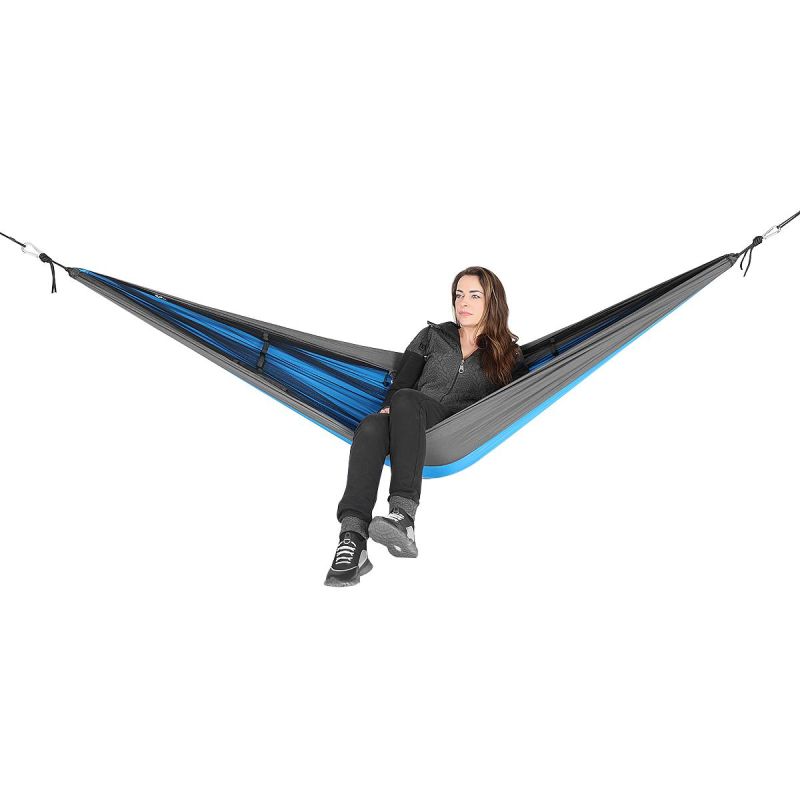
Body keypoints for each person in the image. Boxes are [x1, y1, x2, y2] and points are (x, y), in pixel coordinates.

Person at [324, 266, 528, 587]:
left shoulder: (508, 355)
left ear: (492, 302)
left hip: (454, 429)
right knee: (371, 426)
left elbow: (512, 402)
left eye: (474, 296)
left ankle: (403, 513)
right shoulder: (432, 336)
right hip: (410, 418)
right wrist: (389, 409)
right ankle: (353, 538)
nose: (463, 302)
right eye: (459, 295)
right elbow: (402, 382)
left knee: (406, 400)